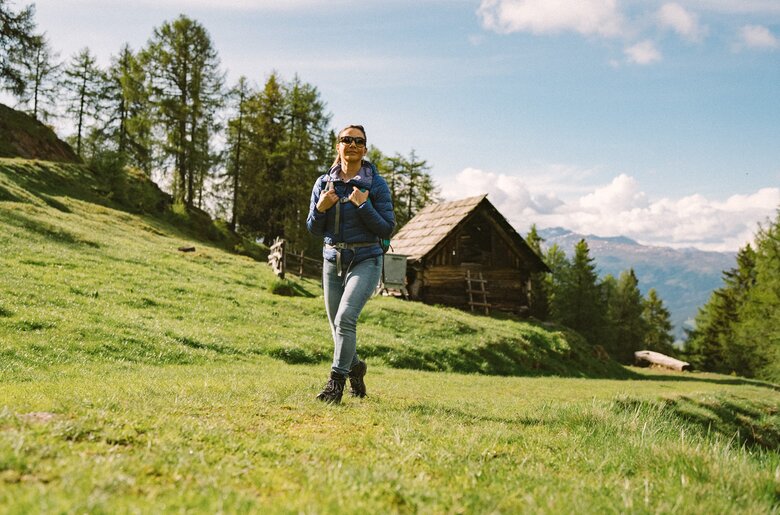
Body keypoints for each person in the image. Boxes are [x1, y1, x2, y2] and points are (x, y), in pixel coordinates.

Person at [306, 125, 395, 404]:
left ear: (365, 149)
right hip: (332, 259)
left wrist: (363, 205)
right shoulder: (323, 183)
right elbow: (313, 228)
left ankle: (335, 384)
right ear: (338, 146)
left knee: (345, 319)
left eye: (359, 141)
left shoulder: (376, 185)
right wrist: (320, 208)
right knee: (336, 327)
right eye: (347, 139)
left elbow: (386, 229)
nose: (353, 144)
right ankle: (356, 367)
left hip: (366, 259)